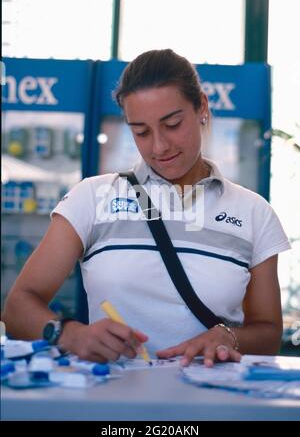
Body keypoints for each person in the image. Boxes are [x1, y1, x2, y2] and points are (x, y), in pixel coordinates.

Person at [2, 49, 290, 368]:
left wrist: (229, 336)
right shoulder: (91, 198)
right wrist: (70, 335)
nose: (159, 146)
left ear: (202, 108)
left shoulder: (254, 213)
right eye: (141, 131)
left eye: (173, 124)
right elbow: (17, 307)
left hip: (214, 404)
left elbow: (268, 334)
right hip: (110, 402)